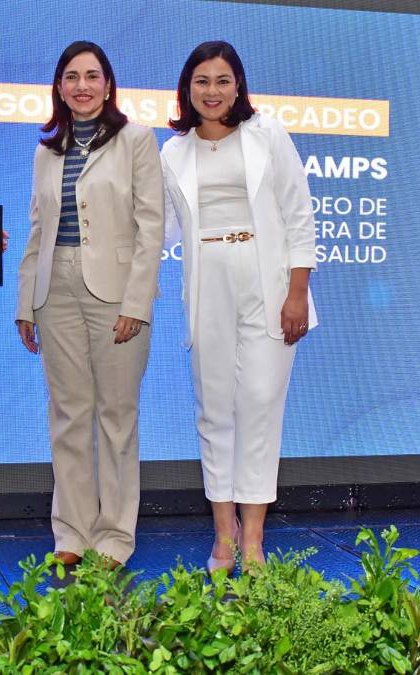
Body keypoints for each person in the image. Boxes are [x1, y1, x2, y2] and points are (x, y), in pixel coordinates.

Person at [160, 41, 317, 572]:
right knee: (214, 412)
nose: (212, 91)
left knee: (259, 406)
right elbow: (153, 227)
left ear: (239, 85)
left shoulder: (266, 133)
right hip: (208, 286)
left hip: (266, 284)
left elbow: (298, 213)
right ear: (188, 88)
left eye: (222, 80)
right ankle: (223, 536)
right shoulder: (172, 151)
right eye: (202, 81)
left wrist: (297, 291)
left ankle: (253, 539)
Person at [15, 41, 165, 567]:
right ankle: (71, 534)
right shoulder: (46, 150)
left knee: (116, 416)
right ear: (59, 86)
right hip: (55, 289)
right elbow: (39, 228)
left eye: (92, 75)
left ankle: (115, 536)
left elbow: (152, 228)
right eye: (72, 76)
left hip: (117, 292)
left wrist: (137, 302)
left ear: (108, 84)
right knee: (68, 414)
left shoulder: (137, 140)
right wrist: (24, 301)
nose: (82, 85)